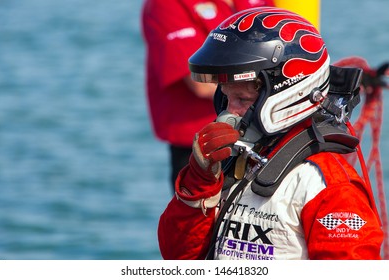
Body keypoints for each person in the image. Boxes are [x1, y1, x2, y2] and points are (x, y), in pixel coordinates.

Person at [157, 7, 384, 259]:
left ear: (289, 93)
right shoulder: (230, 162)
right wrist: (199, 183)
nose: (230, 113)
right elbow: (178, 258)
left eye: (242, 99)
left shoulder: (328, 186)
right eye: (226, 97)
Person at [141, 0, 275, 192]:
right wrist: (275, 90)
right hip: (201, 147)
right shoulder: (166, 4)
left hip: (264, 133)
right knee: (200, 217)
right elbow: (200, 84)